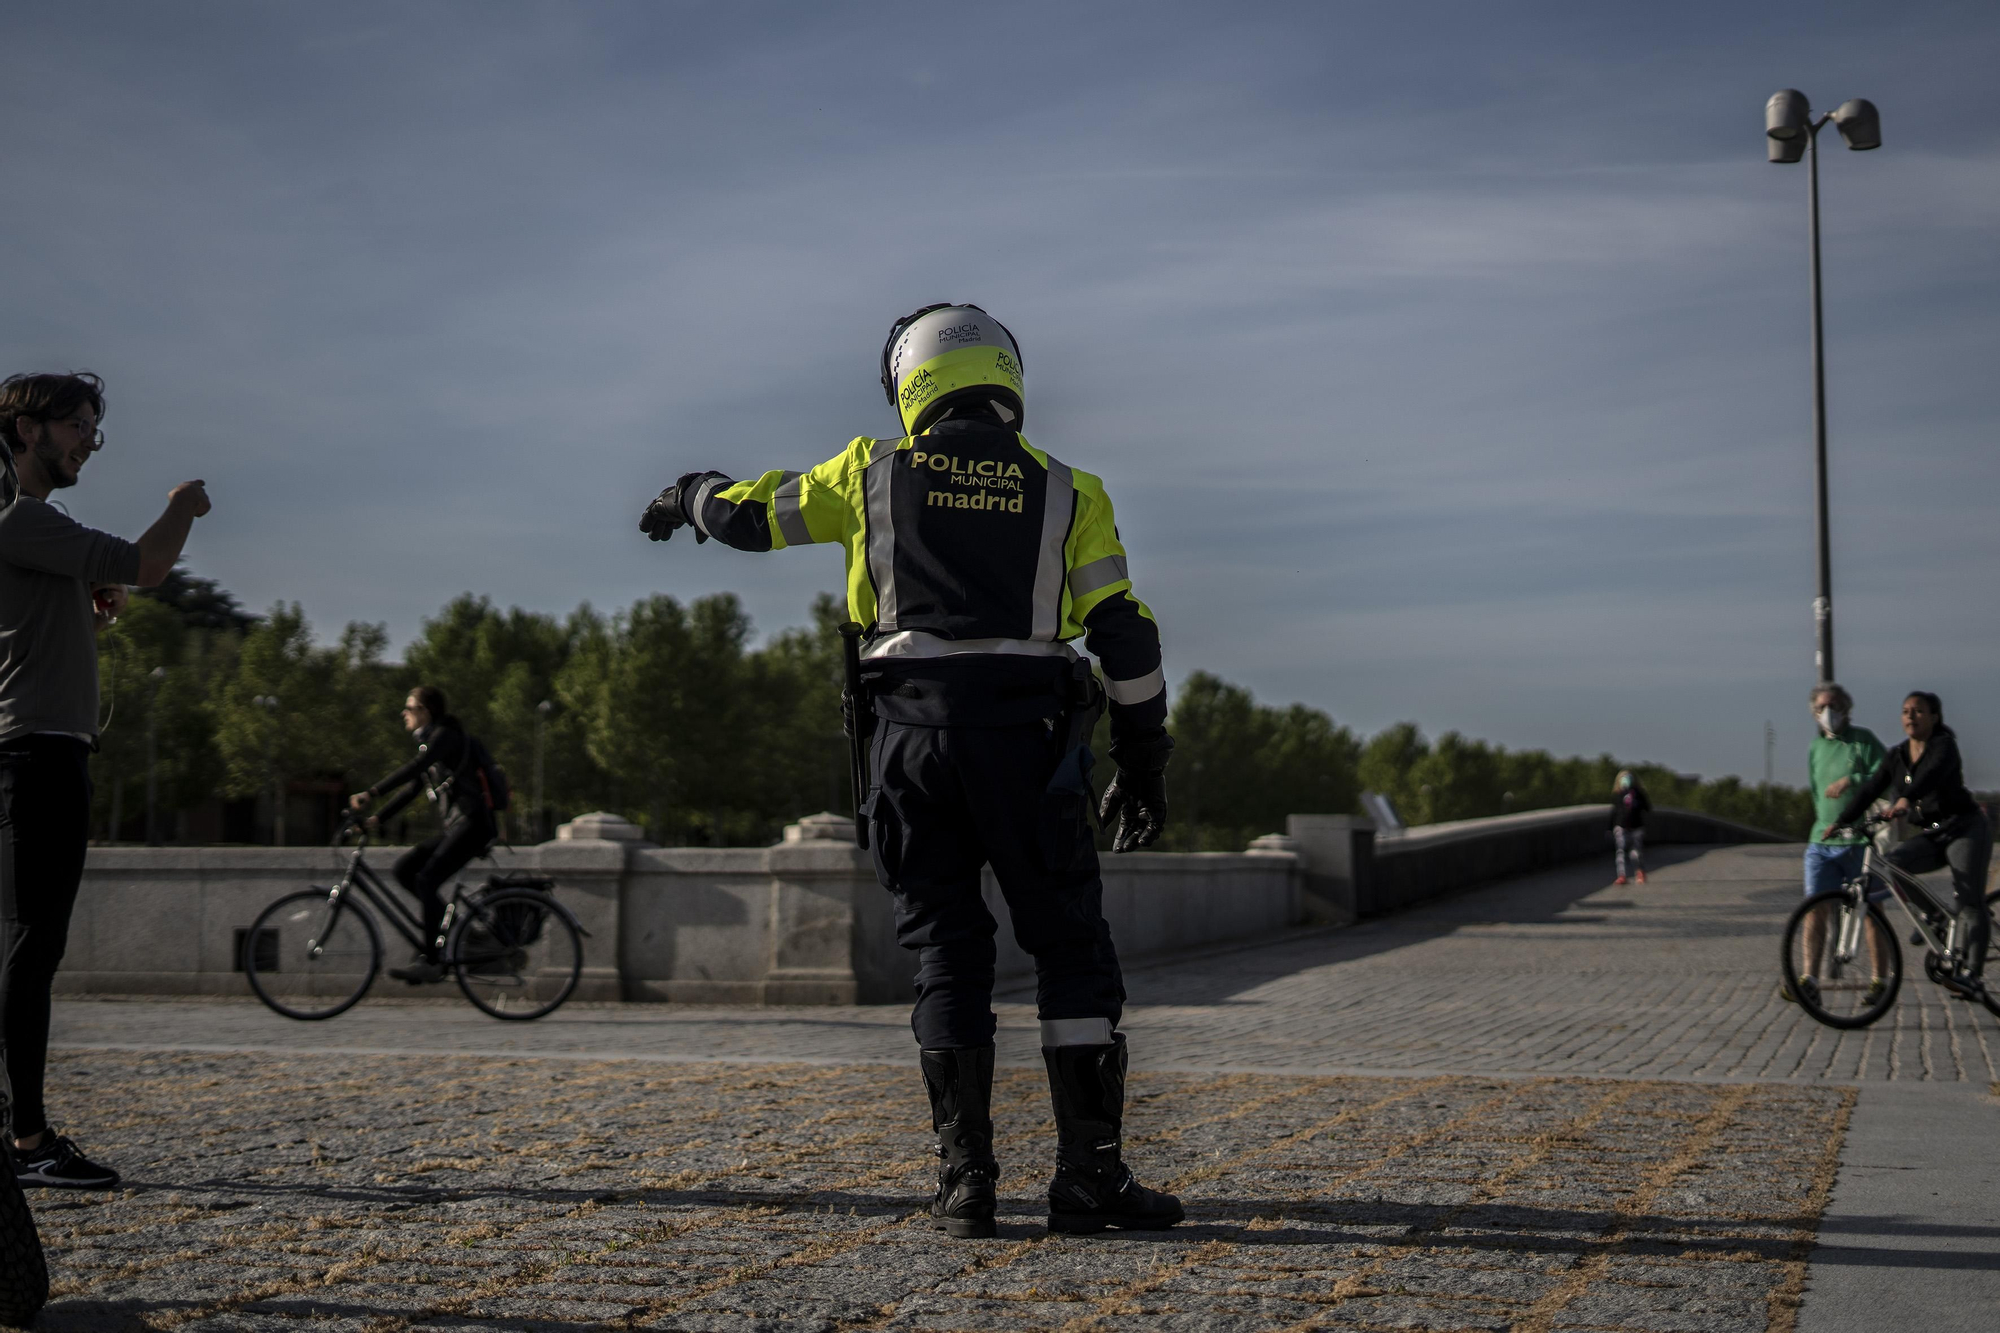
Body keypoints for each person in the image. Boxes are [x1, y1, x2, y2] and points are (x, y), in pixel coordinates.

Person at [639, 303, 1181, 1238]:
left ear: (907, 383)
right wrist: (1142, 760)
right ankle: (1088, 1176)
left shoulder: (867, 472)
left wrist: (690, 489)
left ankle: (966, 1182)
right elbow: (1124, 634)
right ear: (1006, 377)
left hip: (908, 744)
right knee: (1070, 949)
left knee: (946, 950)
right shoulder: (1068, 490)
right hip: (1033, 742)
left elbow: (745, 519)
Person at [0, 372, 210, 1188]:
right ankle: (27, 1141)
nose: (89, 438)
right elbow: (149, 563)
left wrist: (89, 617)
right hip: (39, 755)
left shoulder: (22, 530)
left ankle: (16, 1130)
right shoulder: (24, 519)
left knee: (25, 942)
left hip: (32, 751)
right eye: (78, 424)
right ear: (28, 430)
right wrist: (183, 506)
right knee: (32, 944)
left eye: (93, 425)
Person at [1830, 691, 1993, 999]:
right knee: (1893, 863)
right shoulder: (1897, 755)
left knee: (1971, 901)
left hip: (1964, 828)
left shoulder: (1944, 746)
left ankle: (1973, 976)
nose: (1911, 716)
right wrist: (1842, 821)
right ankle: (1937, 917)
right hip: (1932, 833)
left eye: (1919, 711)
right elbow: (1870, 788)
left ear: (1934, 717)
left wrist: (1906, 798)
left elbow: (1930, 776)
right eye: (1906, 711)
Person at [348, 686, 499, 984]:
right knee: (404, 870)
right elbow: (413, 788)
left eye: (410, 707)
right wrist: (377, 819)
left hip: (474, 825)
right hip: (459, 826)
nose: (404, 713)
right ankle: (454, 927)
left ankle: (433, 960)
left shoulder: (445, 736)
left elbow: (416, 767)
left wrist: (372, 792)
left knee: (427, 879)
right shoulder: (434, 742)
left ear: (425, 712)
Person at [1786, 683, 1891, 1005]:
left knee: (1872, 912)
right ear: (1814, 713)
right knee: (1814, 909)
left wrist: (1853, 779)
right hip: (1823, 840)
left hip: (1860, 841)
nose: (1827, 712)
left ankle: (1879, 981)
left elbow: (1885, 776)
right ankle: (1810, 979)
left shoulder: (1865, 741)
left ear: (1846, 707)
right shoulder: (1815, 748)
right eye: (1820, 708)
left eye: (1832, 705)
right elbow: (1818, 795)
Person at [1608, 770, 1650, 885]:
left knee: (1635, 852)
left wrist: (1636, 802)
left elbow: (1647, 808)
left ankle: (1640, 871)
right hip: (1621, 826)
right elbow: (1614, 812)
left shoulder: (1639, 794)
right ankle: (1622, 875)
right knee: (1620, 852)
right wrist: (1609, 827)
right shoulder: (1618, 794)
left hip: (1636, 826)